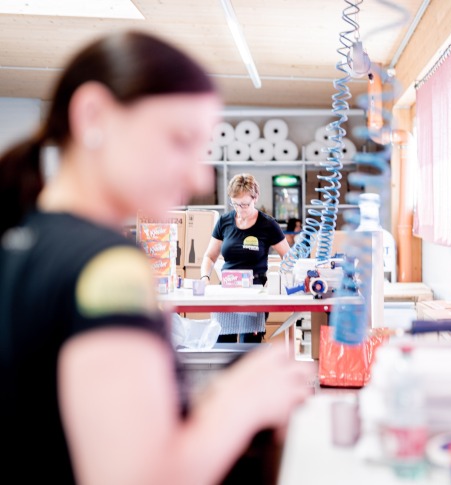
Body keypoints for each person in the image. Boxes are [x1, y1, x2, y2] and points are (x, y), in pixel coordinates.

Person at [0, 31, 312, 484]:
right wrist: (240, 402)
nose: (199, 173)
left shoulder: (21, 235)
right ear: (93, 115)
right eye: (180, 139)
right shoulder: (110, 268)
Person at [201, 174, 291, 343]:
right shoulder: (224, 222)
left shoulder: (268, 225)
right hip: (226, 293)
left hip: (255, 295)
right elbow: (209, 256)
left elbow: (289, 258)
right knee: (222, 344)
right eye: (235, 204)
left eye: (245, 204)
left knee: (248, 346)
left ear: (255, 198)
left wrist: (274, 280)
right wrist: (205, 277)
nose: (240, 209)